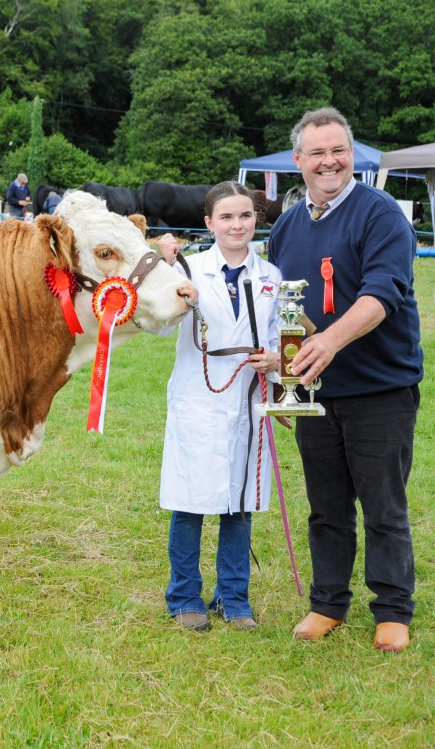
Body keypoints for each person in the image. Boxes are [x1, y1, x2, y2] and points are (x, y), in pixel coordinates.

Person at [267, 106, 422, 654]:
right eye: (318, 153)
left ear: (352, 155)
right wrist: (285, 377)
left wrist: (331, 341)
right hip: (316, 391)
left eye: (339, 150)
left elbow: (384, 292)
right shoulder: (285, 226)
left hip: (380, 388)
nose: (329, 161)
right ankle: (327, 604)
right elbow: (285, 309)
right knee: (326, 506)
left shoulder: (381, 214)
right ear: (299, 160)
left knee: (384, 507)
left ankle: (393, 610)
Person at [157, 182, 281, 633]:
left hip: (248, 398)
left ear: (256, 219)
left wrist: (276, 359)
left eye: (245, 216)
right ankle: (184, 595)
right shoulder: (186, 269)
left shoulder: (271, 276)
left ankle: (233, 597)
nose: (237, 225)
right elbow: (156, 325)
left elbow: (277, 332)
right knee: (189, 502)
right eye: (226, 217)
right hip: (198, 398)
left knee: (239, 503)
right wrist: (166, 276)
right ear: (209, 223)